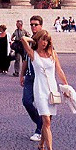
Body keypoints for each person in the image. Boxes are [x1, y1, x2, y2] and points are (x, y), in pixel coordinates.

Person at [21, 28, 69, 150]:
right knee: (46, 121)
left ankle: (41, 144)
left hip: (52, 90)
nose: (45, 43)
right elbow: (23, 39)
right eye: (43, 40)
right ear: (39, 40)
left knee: (48, 121)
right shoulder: (33, 54)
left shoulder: (53, 54)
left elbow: (59, 70)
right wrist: (35, 39)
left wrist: (66, 86)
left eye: (47, 41)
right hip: (40, 90)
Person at [20, 15, 44, 143]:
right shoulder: (28, 40)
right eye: (31, 24)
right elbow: (25, 59)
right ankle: (41, 123)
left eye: (35, 24)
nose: (33, 27)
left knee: (41, 105)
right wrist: (21, 75)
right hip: (29, 76)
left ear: (41, 25)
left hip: (41, 78)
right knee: (27, 102)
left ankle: (39, 130)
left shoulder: (45, 40)